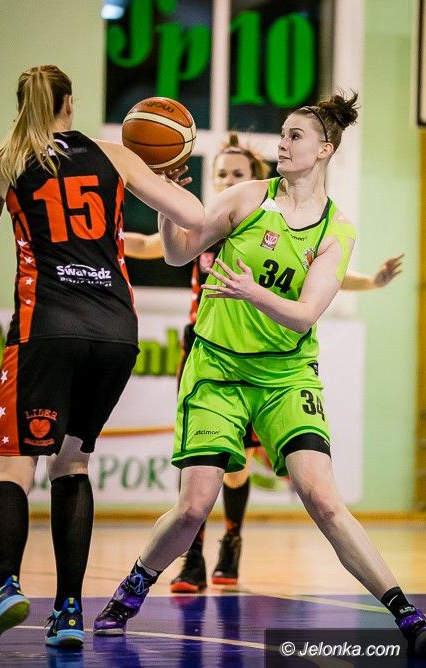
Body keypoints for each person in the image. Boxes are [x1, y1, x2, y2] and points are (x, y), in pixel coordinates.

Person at [93, 91, 426, 659]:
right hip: (217, 366)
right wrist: (169, 202)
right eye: (283, 133)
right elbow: (177, 254)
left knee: (323, 499)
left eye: (295, 135)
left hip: (286, 373)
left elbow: (305, 313)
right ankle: (133, 587)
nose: (282, 143)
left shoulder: (337, 231)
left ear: (325, 149)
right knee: (194, 505)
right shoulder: (248, 197)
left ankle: (405, 612)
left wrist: (253, 291)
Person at [0, 64, 204, 666]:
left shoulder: (7, 160)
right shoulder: (115, 155)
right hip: (116, 331)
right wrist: (163, 178)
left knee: (12, 464)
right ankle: (69, 610)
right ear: (70, 104)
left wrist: (0, 191)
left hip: (47, 325)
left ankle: (3, 588)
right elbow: (195, 219)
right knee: (72, 463)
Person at [124, 134, 404, 593]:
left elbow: (328, 276)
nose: (227, 180)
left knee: (238, 468)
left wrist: (372, 281)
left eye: (236, 174)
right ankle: (192, 557)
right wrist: (99, 235)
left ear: (253, 179)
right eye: (221, 173)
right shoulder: (204, 227)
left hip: (266, 355)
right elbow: (151, 246)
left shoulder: (270, 221)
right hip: (208, 348)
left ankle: (231, 539)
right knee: (199, 472)